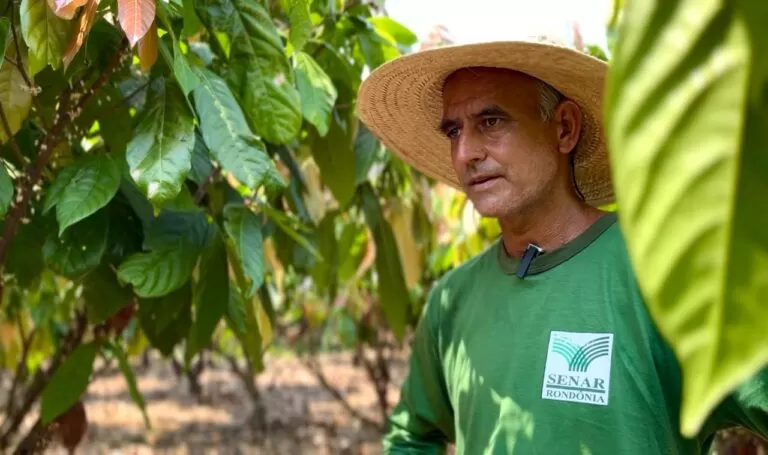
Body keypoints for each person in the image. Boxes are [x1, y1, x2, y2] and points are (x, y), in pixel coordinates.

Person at [356, 38, 768, 454]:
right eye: (454, 130)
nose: (465, 153)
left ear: (564, 128)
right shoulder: (453, 300)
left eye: (491, 122)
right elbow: (413, 436)